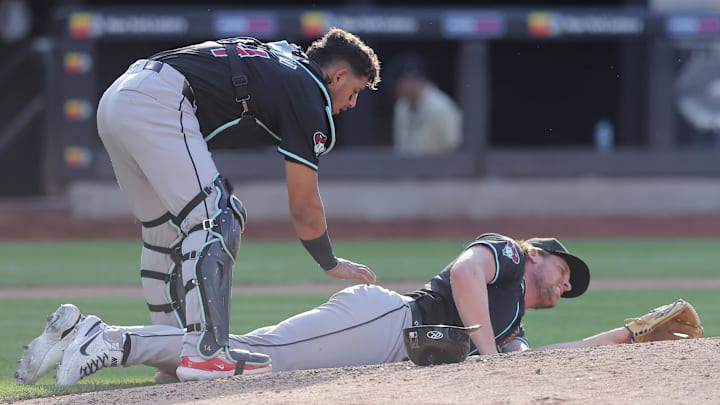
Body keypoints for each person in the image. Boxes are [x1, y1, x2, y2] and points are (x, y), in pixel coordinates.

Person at [92, 27, 380, 382]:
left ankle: (172, 355)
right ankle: (205, 352)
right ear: (338, 76)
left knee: (164, 233)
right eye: (354, 91)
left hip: (119, 97)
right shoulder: (309, 90)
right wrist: (329, 261)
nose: (351, 103)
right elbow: (304, 206)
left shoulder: (284, 57)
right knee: (217, 218)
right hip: (159, 100)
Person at [18, 232, 618, 386]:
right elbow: (464, 272)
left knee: (237, 358)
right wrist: (487, 356)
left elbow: (537, 364)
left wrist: (621, 339)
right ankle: (112, 342)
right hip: (389, 322)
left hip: (387, 341)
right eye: (564, 274)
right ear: (540, 255)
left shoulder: (511, 316)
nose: (562, 287)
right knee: (258, 362)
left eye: (568, 289)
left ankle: (93, 332)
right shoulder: (511, 255)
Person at [389, 53, 463, 156]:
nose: (396, 88)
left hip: (438, 169)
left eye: (399, 83)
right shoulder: (402, 106)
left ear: (411, 80)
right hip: (407, 169)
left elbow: (456, 148)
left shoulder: (441, 108)